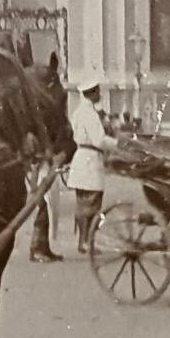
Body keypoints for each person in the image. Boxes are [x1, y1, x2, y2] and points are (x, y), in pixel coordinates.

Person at [66, 81, 114, 254]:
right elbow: (99, 140)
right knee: (92, 205)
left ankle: (83, 241)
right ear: (91, 93)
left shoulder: (79, 112)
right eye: (98, 91)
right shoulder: (90, 114)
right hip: (90, 161)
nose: (99, 94)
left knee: (83, 204)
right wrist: (118, 144)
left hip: (81, 160)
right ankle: (87, 242)